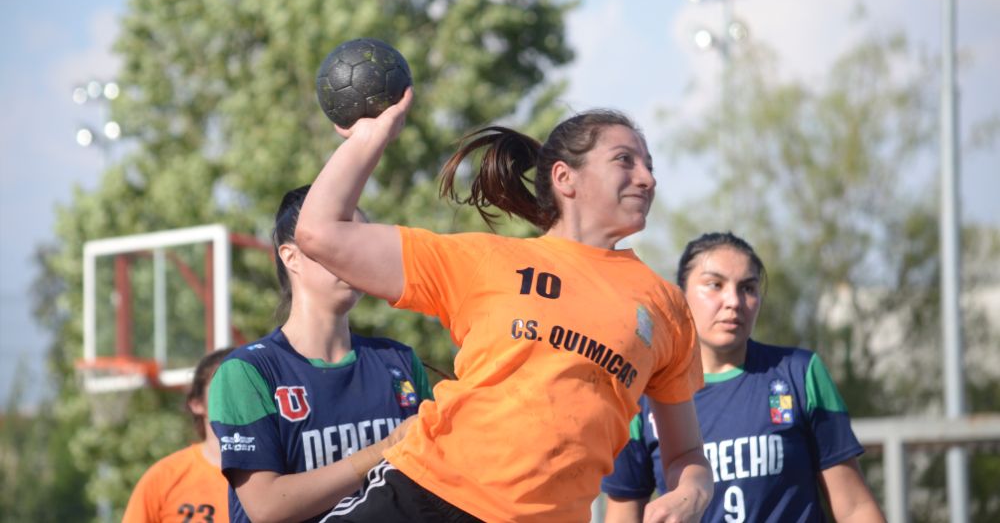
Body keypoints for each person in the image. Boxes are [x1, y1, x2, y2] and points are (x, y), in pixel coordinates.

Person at [295, 88, 713, 523]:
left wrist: (692, 493)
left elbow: (686, 454)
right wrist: (369, 138)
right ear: (565, 178)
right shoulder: (488, 261)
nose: (647, 178)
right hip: (427, 496)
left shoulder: (665, 306)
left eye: (649, 165)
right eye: (625, 160)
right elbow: (319, 232)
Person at [601, 232, 885, 522]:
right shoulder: (645, 395)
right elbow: (622, 514)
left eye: (748, 288)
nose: (733, 301)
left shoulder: (799, 372)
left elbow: (854, 508)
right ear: (680, 297)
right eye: (715, 285)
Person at [208, 185, 434, 523]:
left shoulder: (398, 361)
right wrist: (384, 449)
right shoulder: (248, 372)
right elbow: (268, 506)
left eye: (361, 242)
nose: (353, 255)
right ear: (291, 256)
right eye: (336, 241)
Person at [123, 346, 233, 523]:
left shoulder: (279, 476)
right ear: (197, 403)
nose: (235, 399)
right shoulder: (163, 477)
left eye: (244, 390)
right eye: (222, 389)